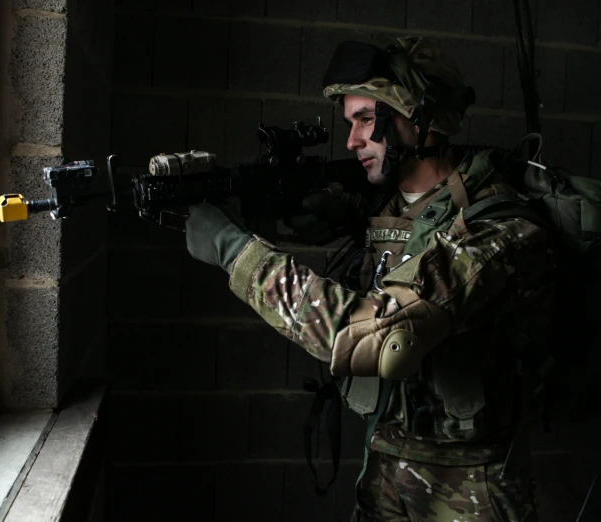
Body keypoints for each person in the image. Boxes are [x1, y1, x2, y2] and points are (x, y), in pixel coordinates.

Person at [184, 35, 555, 521]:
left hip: (471, 485)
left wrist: (237, 252)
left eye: (365, 120)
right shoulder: (386, 209)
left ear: (418, 118)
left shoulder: (499, 227)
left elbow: (379, 339)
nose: (353, 140)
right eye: (349, 123)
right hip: (385, 463)